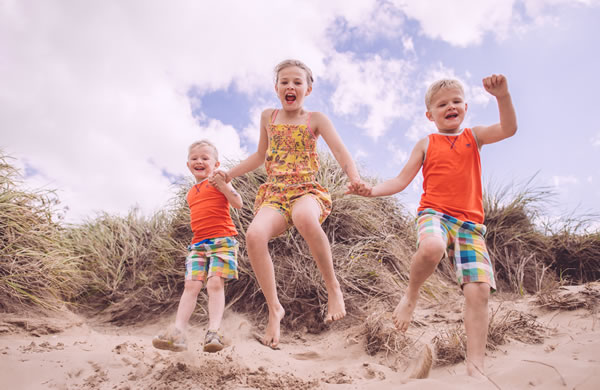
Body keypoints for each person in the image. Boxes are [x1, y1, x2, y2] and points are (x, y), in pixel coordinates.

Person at [348, 75, 517, 377]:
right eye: (442, 104)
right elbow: (401, 180)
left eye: (455, 102)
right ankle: (411, 296)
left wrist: (502, 96)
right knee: (432, 246)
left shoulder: (474, 136)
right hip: (434, 215)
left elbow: (508, 129)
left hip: (470, 226)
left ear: (465, 106)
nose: (450, 106)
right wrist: (370, 190)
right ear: (430, 114)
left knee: (478, 291)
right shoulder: (427, 143)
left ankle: (476, 367)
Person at [211, 59, 366, 349]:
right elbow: (260, 156)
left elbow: (340, 151)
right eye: (285, 82)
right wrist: (228, 174)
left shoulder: (316, 119)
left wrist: (354, 178)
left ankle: (333, 288)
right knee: (254, 236)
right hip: (275, 193)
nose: (290, 86)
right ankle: (274, 308)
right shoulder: (268, 117)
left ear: (308, 88)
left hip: (306, 190)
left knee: (306, 219)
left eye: (297, 82)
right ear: (276, 88)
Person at [152, 140, 243, 353]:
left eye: (205, 158)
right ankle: (178, 332)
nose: (199, 161)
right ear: (188, 164)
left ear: (216, 163)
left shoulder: (219, 181)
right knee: (191, 286)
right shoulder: (190, 193)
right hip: (198, 244)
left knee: (214, 284)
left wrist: (224, 186)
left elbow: (238, 203)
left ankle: (214, 331)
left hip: (222, 240)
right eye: (194, 158)